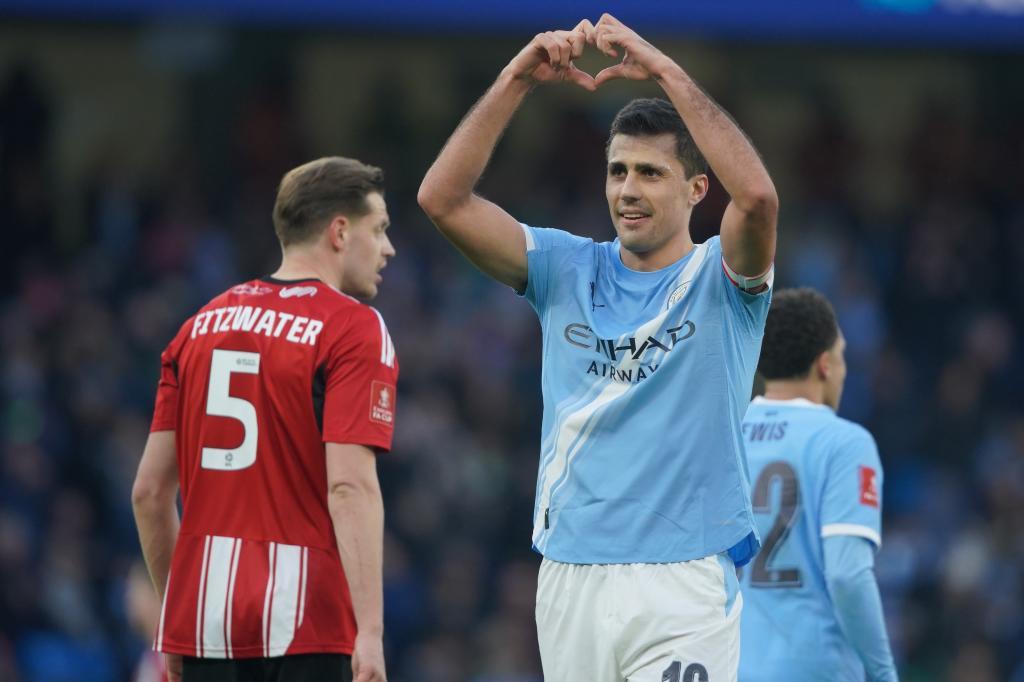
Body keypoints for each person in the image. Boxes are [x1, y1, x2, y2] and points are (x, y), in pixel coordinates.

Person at [418, 14, 778, 681]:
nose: (628, 191)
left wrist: (668, 71)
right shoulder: (564, 268)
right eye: (618, 172)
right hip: (570, 573)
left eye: (650, 172)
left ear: (697, 188)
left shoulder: (722, 280)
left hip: (684, 581)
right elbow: (441, 198)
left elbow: (756, 198)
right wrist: (515, 80)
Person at [131, 157, 398, 682]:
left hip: (205, 624)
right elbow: (349, 487)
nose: (388, 248)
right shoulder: (352, 328)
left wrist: (175, 618)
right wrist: (369, 630)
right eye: (381, 229)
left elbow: (149, 493)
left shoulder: (197, 327)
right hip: (307, 623)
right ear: (340, 232)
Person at [739, 288, 899, 681]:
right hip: (815, 667)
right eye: (842, 356)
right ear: (825, 364)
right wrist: (883, 673)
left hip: (730, 665)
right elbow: (847, 574)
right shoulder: (845, 443)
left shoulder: (725, 437)